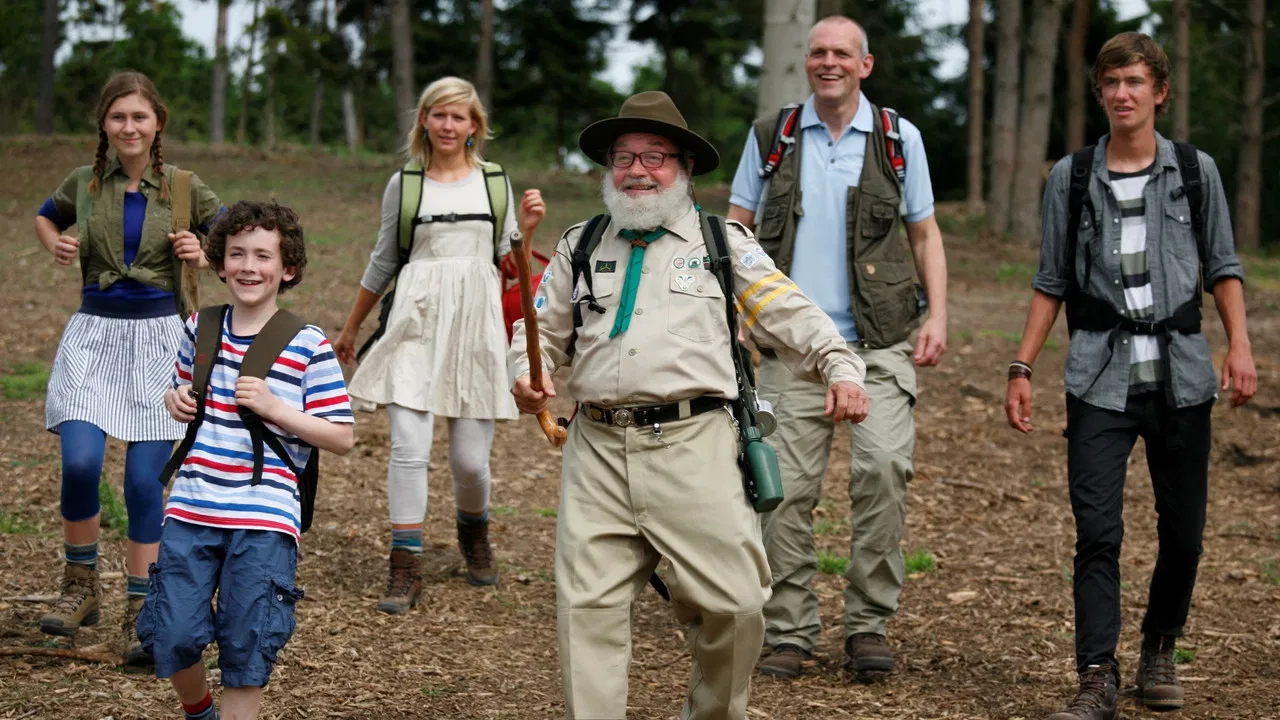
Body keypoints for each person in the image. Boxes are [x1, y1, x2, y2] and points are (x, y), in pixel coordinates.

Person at [510, 90, 870, 720]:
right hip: (595, 449)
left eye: (655, 157)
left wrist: (840, 367)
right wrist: (526, 375)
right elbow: (539, 333)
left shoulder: (719, 244)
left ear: (684, 169)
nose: (638, 171)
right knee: (584, 612)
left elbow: (790, 312)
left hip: (695, 446)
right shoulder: (581, 242)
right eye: (624, 158)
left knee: (736, 606)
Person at [1004, 33, 1257, 720]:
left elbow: (1224, 267)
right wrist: (1021, 365)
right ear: (1100, 92)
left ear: (1160, 91)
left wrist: (1240, 347)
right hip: (1098, 379)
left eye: (1136, 81)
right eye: (1112, 81)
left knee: (1184, 536)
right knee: (1098, 531)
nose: (1123, 93)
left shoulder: (1197, 173)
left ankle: (1159, 646)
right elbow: (1051, 280)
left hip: (1181, 378)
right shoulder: (1073, 176)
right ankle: (1097, 676)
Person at [726, 15, 948, 680]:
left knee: (881, 472)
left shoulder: (895, 139)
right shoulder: (773, 137)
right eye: (818, 52)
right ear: (808, 62)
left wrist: (939, 312)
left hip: (878, 345)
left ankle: (868, 626)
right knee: (783, 491)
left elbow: (925, 234)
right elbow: (735, 228)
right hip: (791, 349)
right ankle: (789, 630)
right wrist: (735, 310)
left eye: (841, 54)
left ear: (864, 65)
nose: (829, 62)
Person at [33, 70, 224, 664]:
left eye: (139, 116)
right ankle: (80, 587)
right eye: (118, 117)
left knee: (145, 483)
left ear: (158, 123)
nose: (129, 127)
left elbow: (230, 236)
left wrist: (205, 250)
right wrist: (55, 243)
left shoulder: (186, 188)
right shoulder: (83, 184)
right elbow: (46, 215)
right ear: (104, 125)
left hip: (161, 340)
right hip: (94, 337)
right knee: (81, 462)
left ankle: (142, 607)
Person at [138, 200, 355, 720]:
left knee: (246, 644)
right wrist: (175, 399)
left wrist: (277, 408)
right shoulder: (200, 327)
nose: (249, 267)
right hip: (192, 506)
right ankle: (199, 711)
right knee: (172, 633)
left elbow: (342, 437)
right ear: (219, 262)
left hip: (263, 515)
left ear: (288, 269)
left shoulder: (308, 344)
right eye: (237, 254)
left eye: (263, 256)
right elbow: (182, 389)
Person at [333, 77, 542, 611]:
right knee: (408, 447)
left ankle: (474, 533)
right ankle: (406, 565)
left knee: (471, 462)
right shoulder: (405, 184)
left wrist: (530, 232)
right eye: (438, 115)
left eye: (459, 116)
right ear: (423, 121)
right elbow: (384, 259)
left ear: (475, 125)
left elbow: (509, 266)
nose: (448, 126)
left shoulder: (494, 182)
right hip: (415, 319)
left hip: (475, 324)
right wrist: (352, 329)